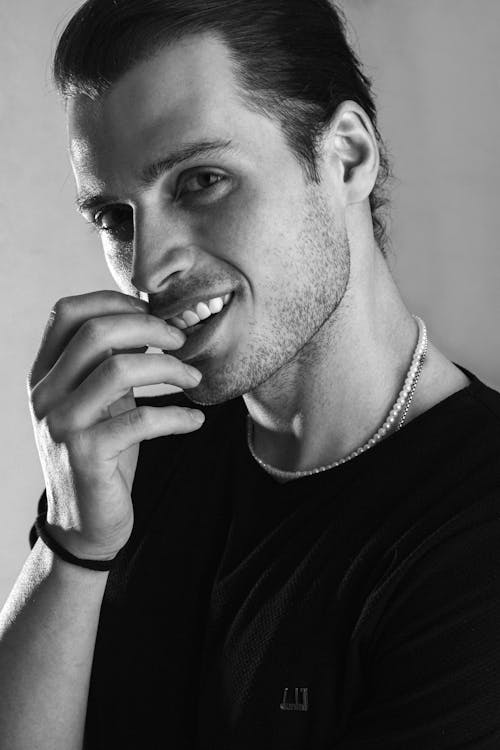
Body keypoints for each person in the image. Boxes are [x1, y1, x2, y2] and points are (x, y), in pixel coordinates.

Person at [1, 0, 499, 747]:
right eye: (113, 216)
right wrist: (73, 544)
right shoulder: (129, 465)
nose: (147, 265)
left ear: (348, 157)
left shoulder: (476, 528)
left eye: (201, 180)